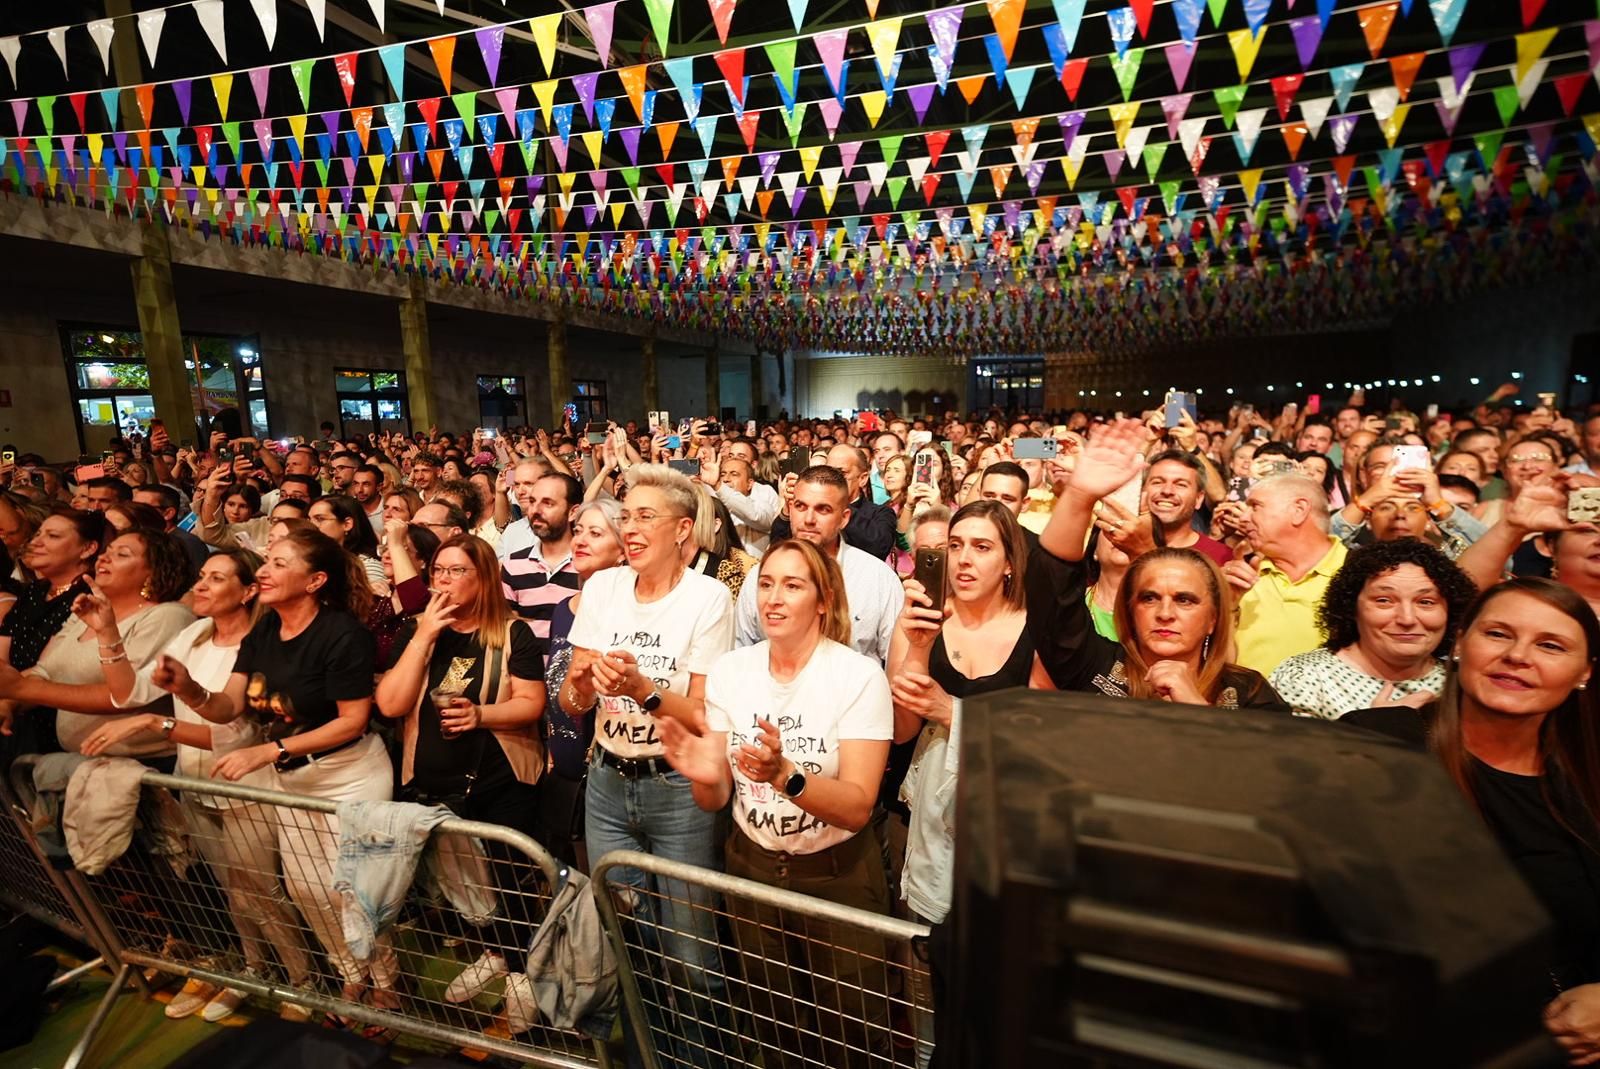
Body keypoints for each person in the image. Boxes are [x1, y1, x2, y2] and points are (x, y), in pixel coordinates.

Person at [657, 539, 894, 1069]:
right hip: (755, 865)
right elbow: (717, 795)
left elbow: (857, 806)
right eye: (766, 584)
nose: (774, 598)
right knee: (772, 1025)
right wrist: (702, 776)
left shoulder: (857, 677)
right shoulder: (731, 672)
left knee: (851, 1029)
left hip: (837, 876)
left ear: (824, 599)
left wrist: (787, 776)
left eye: (792, 585)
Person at [148, 527, 399, 1024]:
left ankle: (387, 985)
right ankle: (350, 971)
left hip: (350, 773)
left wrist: (270, 750)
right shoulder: (265, 629)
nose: (265, 570)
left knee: (355, 888)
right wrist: (191, 688)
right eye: (267, 560)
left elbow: (351, 720)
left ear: (315, 580)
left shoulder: (341, 633)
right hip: (293, 776)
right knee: (307, 888)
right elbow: (228, 707)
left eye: (280, 563)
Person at [1341, 579, 1600, 1055]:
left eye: (1550, 645)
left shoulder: (1589, 777)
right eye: (1498, 634)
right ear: (1459, 642)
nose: (1518, 656)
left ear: (1585, 672)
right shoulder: (1377, 747)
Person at [79, 550, 315, 1022]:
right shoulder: (193, 634)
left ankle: (302, 982)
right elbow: (129, 693)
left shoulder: (257, 646)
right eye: (202, 576)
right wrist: (107, 631)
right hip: (196, 780)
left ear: (249, 591)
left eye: (217, 578)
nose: (201, 585)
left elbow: (234, 733)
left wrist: (155, 725)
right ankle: (252, 971)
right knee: (233, 890)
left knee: (262, 892)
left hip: (247, 785)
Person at [556, 463, 735, 1064]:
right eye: (625, 516)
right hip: (608, 778)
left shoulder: (709, 598)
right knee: (626, 934)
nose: (630, 529)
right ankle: (643, 1054)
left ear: (684, 530)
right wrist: (582, 684)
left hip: (676, 787)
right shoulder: (604, 588)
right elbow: (572, 699)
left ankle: (697, 1058)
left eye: (645, 518)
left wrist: (643, 689)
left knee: (690, 949)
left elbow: (705, 712)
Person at [889, 501, 1048, 1066]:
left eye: (982, 548)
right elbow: (904, 726)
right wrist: (915, 645)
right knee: (935, 967)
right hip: (937, 818)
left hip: (1010, 822)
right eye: (954, 546)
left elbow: (1049, 738)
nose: (963, 560)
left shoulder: (1035, 628)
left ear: (1009, 562)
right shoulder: (923, 622)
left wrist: (954, 712)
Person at [376, 535, 547, 1033]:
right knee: (467, 890)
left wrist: (480, 715)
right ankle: (496, 952)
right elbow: (390, 703)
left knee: (511, 884)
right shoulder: (420, 631)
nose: (444, 581)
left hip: (500, 780)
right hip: (433, 783)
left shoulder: (513, 634)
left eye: (457, 571)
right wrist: (425, 636)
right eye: (439, 572)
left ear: (484, 578)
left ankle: (524, 979)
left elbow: (531, 704)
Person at [1032, 419, 1287, 709]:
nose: (1165, 613)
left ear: (1213, 618)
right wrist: (1079, 496)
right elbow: (1051, 588)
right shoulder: (1095, 665)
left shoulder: (1249, 692)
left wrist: (1195, 706)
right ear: (1129, 610)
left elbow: (1261, 754)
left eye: (1185, 600)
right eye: (1149, 598)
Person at [0, 529, 196, 755]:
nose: (103, 557)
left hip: (138, 766)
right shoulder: (90, 608)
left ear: (154, 573)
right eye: (107, 551)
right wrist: (10, 702)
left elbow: (126, 695)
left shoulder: (168, 616)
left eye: (122, 554)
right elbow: (45, 672)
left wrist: (21, 689)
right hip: (74, 760)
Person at [1269, 540, 1478, 719]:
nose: (1407, 618)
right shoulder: (1307, 677)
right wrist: (1376, 728)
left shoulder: (1464, 683)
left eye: (1426, 602)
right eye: (1384, 601)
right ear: (1351, 607)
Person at [734, 466, 902, 665]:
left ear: (844, 518)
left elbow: (896, 664)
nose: (809, 520)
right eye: (800, 506)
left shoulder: (877, 578)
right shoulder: (761, 576)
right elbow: (741, 656)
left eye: (823, 509)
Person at [540, 498, 626, 868]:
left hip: (607, 772)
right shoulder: (564, 610)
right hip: (563, 765)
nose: (580, 541)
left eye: (595, 533)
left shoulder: (628, 611)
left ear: (623, 551)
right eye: (578, 531)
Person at [1227, 473, 1351, 678]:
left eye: (1255, 506)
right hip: (1244, 708)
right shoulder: (1241, 575)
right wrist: (1228, 605)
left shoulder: (1357, 575)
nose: (1243, 518)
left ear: (1299, 510)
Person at [499, 470, 582, 649]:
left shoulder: (589, 566)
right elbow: (506, 633)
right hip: (523, 673)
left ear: (573, 512)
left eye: (548, 503)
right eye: (532, 501)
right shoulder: (513, 565)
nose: (535, 510)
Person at [770, 445, 897, 562]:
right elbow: (777, 546)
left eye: (841, 474)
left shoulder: (880, 513)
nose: (832, 479)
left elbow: (880, 547)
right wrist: (789, 509)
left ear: (862, 478)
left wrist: (835, 504)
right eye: (828, 472)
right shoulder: (807, 510)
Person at [1141, 450, 1232, 566]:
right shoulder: (1118, 549)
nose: (1167, 491)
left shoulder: (1221, 558)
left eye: (1180, 485)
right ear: (1142, 490)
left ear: (1198, 499)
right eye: (1157, 482)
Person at [308, 495, 387, 594]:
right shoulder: (311, 560)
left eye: (320, 519)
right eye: (309, 519)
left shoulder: (366, 567)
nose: (311, 526)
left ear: (347, 524)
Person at [712, 455, 779, 557]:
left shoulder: (761, 502)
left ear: (749, 484)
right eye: (722, 474)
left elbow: (756, 516)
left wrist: (718, 485)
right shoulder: (714, 503)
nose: (725, 479)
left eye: (734, 474)